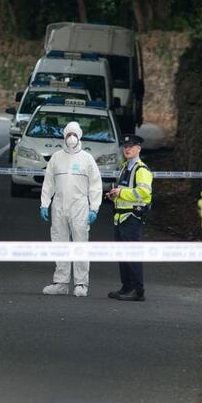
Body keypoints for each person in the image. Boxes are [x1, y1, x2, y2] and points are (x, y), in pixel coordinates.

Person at [39, 121, 102, 297]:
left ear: (79, 135)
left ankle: (81, 284)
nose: (71, 138)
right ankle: (61, 282)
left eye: (74, 134)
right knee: (59, 243)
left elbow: (95, 185)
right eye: (68, 134)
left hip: (80, 207)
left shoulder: (87, 159)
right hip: (58, 206)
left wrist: (94, 208)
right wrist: (45, 203)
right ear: (64, 136)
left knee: (80, 243)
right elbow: (49, 182)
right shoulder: (56, 158)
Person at [106, 134, 152, 302]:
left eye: (131, 146)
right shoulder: (126, 167)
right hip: (121, 218)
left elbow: (144, 194)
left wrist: (121, 192)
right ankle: (126, 287)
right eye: (125, 146)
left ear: (138, 149)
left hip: (132, 217)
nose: (127, 149)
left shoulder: (141, 170)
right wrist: (114, 195)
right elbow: (126, 191)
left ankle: (137, 290)